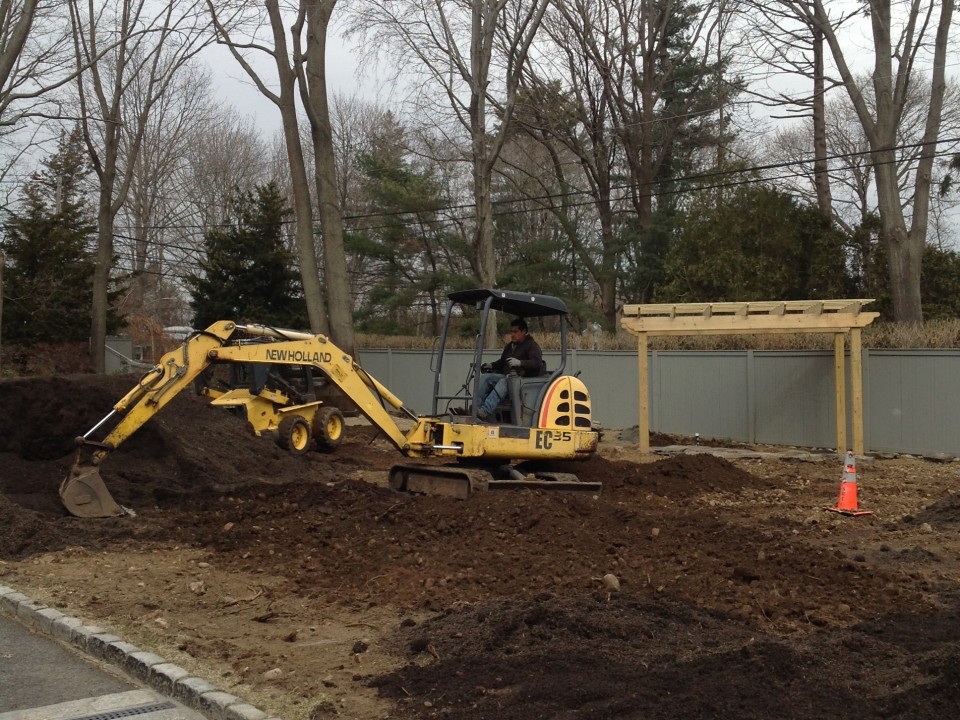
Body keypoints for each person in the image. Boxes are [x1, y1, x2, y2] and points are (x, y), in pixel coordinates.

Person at [475, 318, 543, 421]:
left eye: (515, 332)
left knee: (505, 381)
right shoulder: (510, 346)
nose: (512, 334)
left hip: (524, 380)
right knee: (487, 377)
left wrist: (520, 362)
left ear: (524, 331)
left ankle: (485, 411)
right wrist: (491, 365)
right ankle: (476, 409)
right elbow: (503, 362)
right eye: (511, 332)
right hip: (509, 376)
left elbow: (536, 363)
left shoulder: (531, 345)